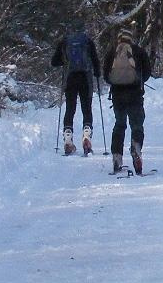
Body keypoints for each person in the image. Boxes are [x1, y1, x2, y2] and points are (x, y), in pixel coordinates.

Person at [103, 28, 153, 175]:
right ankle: (136, 148)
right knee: (137, 126)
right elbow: (148, 73)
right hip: (135, 95)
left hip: (118, 96)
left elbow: (106, 76)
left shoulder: (112, 52)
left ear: (119, 39)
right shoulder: (139, 51)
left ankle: (117, 157)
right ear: (131, 39)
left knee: (119, 125)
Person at [51, 24, 101, 156]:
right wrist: (97, 72)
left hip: (70, 78)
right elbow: (95, 61)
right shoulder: (87, 41)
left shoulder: (65, 42)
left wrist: (65, 61)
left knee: (70, 108)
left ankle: (68, 139)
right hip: (85, 78)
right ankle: (87, 137)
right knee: (87, 109)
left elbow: (54, 62)